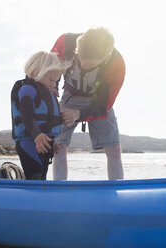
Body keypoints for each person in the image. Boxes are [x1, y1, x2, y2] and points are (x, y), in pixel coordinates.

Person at [51, 27, 125, 180]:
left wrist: (79, 114)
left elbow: (105, 104)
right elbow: (46, 71)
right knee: (58, 148)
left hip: (98, 101)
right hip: (69, 97)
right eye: (80, 58)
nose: (83, 64)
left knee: (114, 151)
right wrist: (52, 94)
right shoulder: (65, 42)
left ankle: (116, 193)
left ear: (104, 57)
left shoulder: (116, 64)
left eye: (89, 63)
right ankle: (59, 192)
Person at [11, 51, 68, 180]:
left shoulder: (43, 91)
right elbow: (26, 113)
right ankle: (29, 198)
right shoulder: (27, 88)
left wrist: (50, 142)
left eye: (55, 81)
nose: (53, 84)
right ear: (36, 71)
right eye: (51, 80)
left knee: (42, 176)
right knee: (35, 174)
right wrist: (37, 135)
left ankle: (41, 198)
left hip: (42, 142)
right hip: (28, 141)